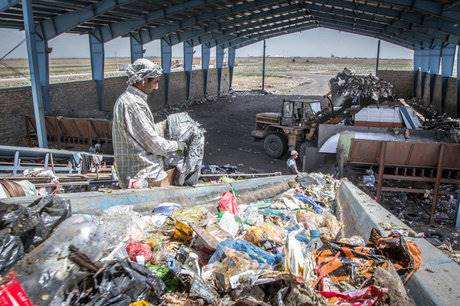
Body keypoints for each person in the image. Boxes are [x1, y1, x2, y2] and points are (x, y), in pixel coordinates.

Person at [112, 58, 186, 188]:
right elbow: (152, 143)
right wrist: (177, 146)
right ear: (143, 80)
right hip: (144, 176)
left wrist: (163, 126)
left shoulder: (126, 99)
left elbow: (139, 133)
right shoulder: (134, 104)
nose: (157, 87)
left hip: (136, 172)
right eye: (155, 82)